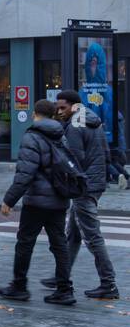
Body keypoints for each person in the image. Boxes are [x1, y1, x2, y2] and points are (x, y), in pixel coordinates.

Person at [0, 99, 75, 306]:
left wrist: (9, 199)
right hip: (59, 198)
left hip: (37, 201)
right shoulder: (61, 135)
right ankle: (65, 290)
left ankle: (19, 286)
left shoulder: (32, 136)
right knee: (59, 244)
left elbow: (25, 172)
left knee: (25, 243)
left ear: (35, 114)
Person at [52, 90, 118, 299]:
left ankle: (108, 284)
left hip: (84, 186)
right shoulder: (92, 120)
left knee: (92, 236)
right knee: (73, 233)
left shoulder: (75, 126)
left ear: (74, 106)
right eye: (57, 107)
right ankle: (61, 276)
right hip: (95, 181)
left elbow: (73, 159)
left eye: (63, 107)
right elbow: (106, 153)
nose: (59, 111)